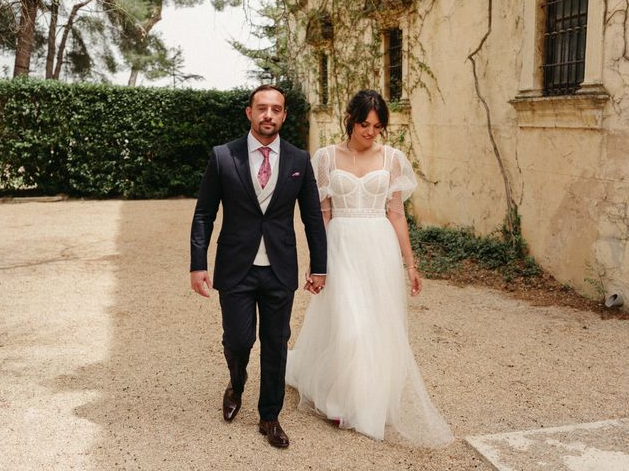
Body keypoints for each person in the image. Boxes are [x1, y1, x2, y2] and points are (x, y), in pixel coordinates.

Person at [286, 89, 454, 447]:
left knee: (376, 325)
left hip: (379, 247)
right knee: (349, 324)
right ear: (351, 120)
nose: (370, 132)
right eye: (365, 124)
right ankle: (339, 401)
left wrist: (410, 263)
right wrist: (318, 262)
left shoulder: (392, 159)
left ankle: (367, 401)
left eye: (377, 127)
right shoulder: (327, 157)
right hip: (342, 245)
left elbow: (396, 213)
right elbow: (323, 214)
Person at [190, 84, 327, 449]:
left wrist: (320, 265)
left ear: (284, 115)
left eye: (276, 109)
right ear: (249, 113)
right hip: (236, 265)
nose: (269, 114)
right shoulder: (224, 156)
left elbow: (313, 217)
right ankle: (236, 382)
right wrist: (197, 264)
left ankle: (270, 417)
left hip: (279, 266)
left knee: (276, 341)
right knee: (239, 339)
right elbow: (204, 214)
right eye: (262, 108)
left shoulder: (299, 160)